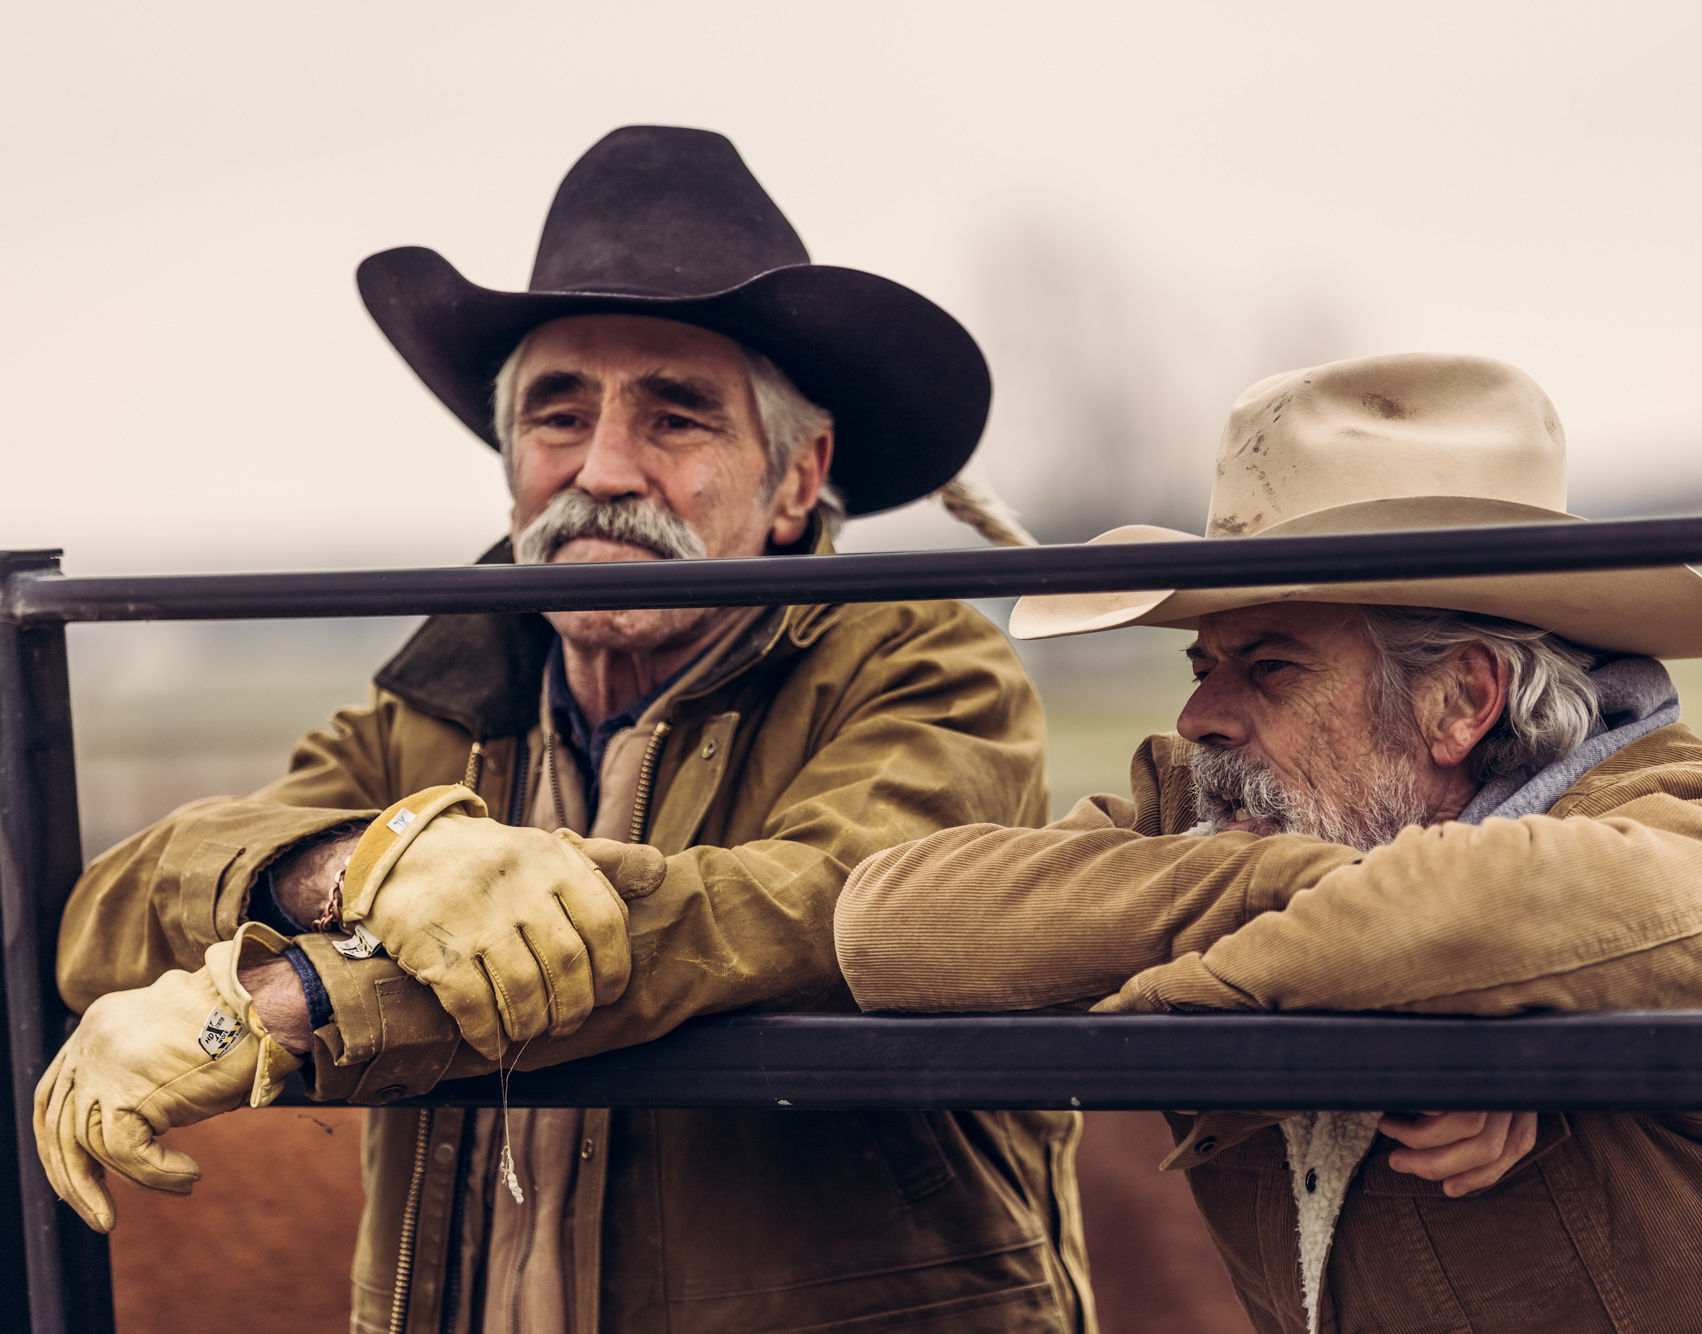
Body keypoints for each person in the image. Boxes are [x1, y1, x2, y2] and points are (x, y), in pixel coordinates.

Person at [36, 126, 1095, 1334]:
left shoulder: (919, 659)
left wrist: (288, 1003)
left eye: (675, 417)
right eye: (556, 414)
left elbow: (810, 908)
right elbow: (110, 906)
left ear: (798, 478)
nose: (602, 468)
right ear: (510, 464)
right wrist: (355, 865)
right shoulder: (434, 700)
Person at [834, 352, 1702, 1334]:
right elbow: (889, 922)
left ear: (1461, 698)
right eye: (1202, 662)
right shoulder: (1213, 812)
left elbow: (1533, 903)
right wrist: (1342, 942)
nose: (1196, 717)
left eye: (1266, 664)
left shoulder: (1698, 813)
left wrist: (1453, 1008)